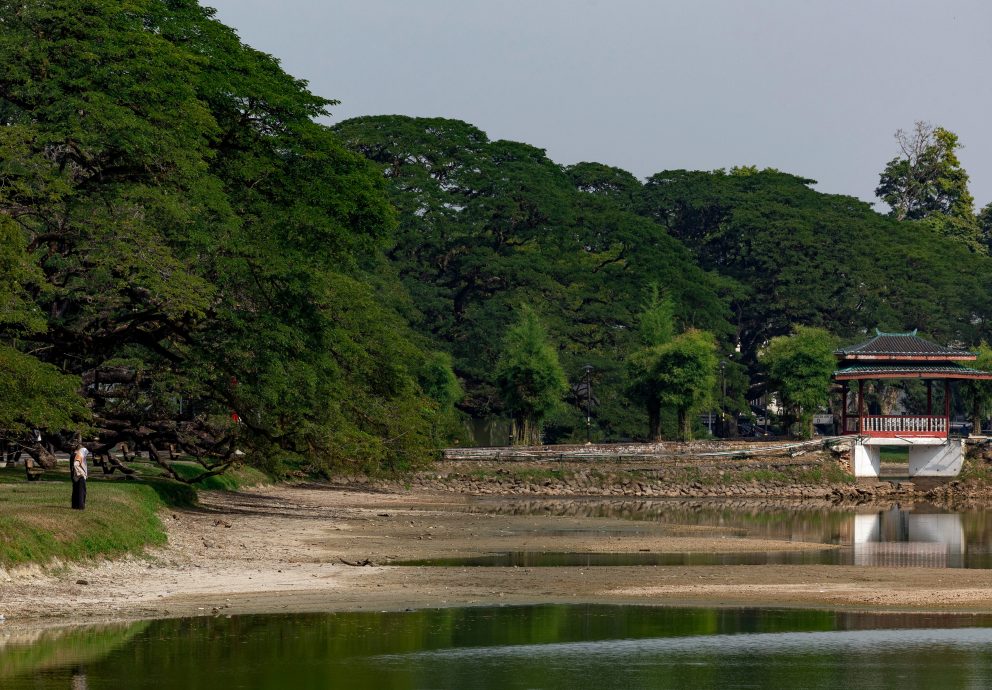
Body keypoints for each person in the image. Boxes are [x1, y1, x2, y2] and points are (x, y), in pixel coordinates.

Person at [71, 443, 89, 510]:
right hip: (80, 477)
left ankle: (75, 506)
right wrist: (81, 473)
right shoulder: (79, 455)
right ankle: (81, 506)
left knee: (76, 491)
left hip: (76, 476)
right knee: (82, 492)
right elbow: (76, 465)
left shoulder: (74, 455)